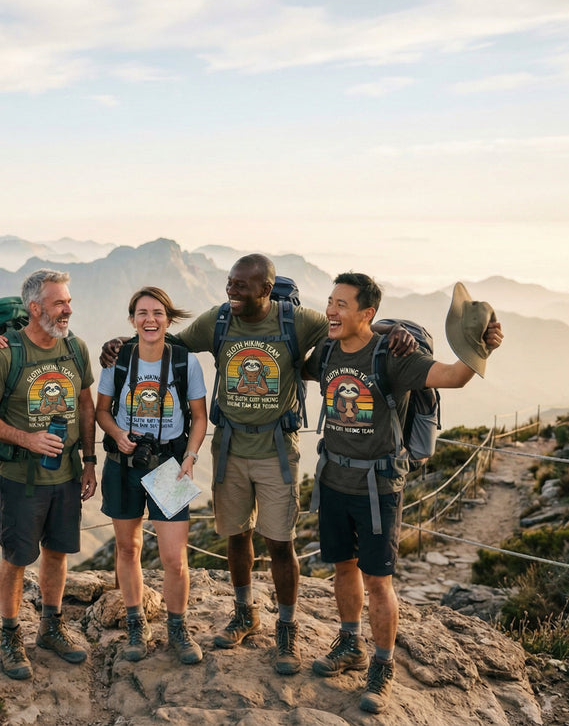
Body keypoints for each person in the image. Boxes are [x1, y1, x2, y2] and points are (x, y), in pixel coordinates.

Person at [100, 254, 414, 675]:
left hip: (273, 451)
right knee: (234, 535)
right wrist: (121, 344)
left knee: (280, 541)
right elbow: (164, 340)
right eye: (230, 282)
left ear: (265, 290)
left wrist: (393, 334)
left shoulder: (296, 320)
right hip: (226, 448)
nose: (231, 290)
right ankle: (243, 614)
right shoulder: (218, 320)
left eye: (241, 286)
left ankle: (285, 627)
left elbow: (349, 328)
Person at [305, 274, 502, 714]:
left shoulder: (393, 357)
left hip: (377, 488)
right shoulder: (326, 350)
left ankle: (382, 666)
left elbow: (454, 376)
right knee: (343, 570)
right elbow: (289, 360)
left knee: (378, 581)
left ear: (366, 312)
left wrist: (480, 345)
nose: (331, 311)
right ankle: (350, 644)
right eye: (330, 302)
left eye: (341, 304)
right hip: (333, 480)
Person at [0, 268, 98, 680]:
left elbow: (85, 405)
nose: (68, 309)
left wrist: (90, 461)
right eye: (60, 302)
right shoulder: (4, 355)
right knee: (16, 559)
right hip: (21, 477)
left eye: (69, 301)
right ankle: (10, 637)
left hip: (65, 474)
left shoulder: (76, 349)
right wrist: (28, 439)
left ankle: (50, 626)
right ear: (35, 308)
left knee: (58, 552)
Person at [96, 287, 208, 665]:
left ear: (168, 319)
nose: (150, 320)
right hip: (123, 464)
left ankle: (177, 629)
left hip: (167, 466)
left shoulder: (184, 362)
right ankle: (135, 625)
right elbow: (102, 411)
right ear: (132, 320)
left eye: (158, 313)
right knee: (128, 549)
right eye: (142, 313)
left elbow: (199, 416)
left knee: (174, 558)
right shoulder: (118, 360)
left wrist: (190, 457)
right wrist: (117, 435)